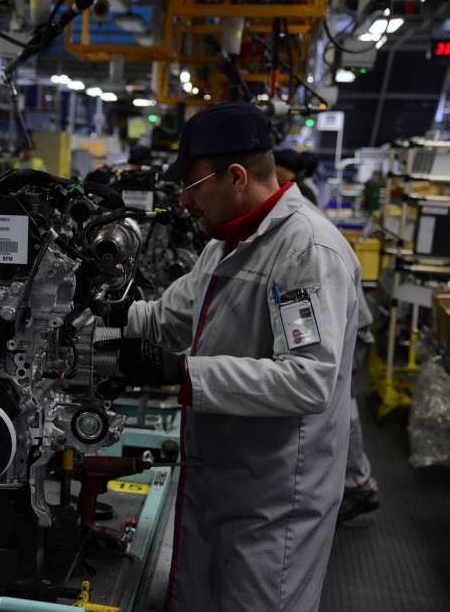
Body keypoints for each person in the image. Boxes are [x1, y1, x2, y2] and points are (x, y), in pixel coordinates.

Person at [99, 102, 361, 612]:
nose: (183, 200)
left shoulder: (305, 252)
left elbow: (307, 379)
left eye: (193, 186)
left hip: (275, 501)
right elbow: (166, 318)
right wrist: (95, 314)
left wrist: (181, 371)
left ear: (236, 176)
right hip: (223, 476)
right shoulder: (225, 244)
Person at [274, 149, 381, 524]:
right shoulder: (297, 198)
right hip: (345, 311)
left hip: (347, 317)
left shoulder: (299, 207)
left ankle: (358, 484)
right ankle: (356, 480)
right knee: (339, 404)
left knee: (341, 407)